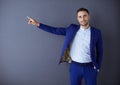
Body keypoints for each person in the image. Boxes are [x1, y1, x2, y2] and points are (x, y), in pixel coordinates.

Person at [27, 8, 103, 85]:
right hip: (75, 67)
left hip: (90, 67)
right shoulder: (71, 29)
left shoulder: (96, 32)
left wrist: (98, 67)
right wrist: (37, 24)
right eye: (80, 17)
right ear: (77, 18)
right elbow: (55, 30)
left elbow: (100, 51)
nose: (82, 19)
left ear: (89, 16)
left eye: (84, 16)